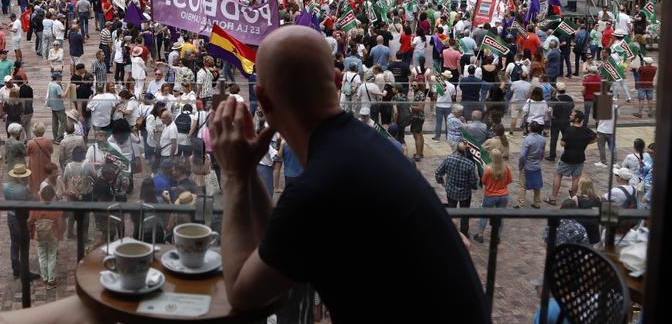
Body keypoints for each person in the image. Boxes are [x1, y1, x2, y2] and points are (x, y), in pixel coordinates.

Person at [208, 26, 488, 322]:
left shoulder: (320, 188)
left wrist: (235, 175)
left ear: (263, 100)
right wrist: (249, 172)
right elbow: (277, 251)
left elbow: (242, 292)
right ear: (338, 80)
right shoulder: (368, 149)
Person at [435, 141, 482, 237]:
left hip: (451, 191)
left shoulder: (448, 159)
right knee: (465, 214)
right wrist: (474, 186)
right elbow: (473, 182)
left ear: (456, 149)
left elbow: (438, 173)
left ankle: (450, 231)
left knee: (452, 212)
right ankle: (464, 233)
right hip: (465, 194)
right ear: (466, 151)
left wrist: (442, 183)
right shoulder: (469, 164)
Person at [549, 111, 595, 205]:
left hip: (567, 157)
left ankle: (553, 198)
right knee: (575, 178)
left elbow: (562, 143)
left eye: (572, 115)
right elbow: (596, 137)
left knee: (558, 174)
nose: (570, 116)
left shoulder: (569, 129)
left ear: (577, 119)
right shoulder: (585, 130)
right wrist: (585, 142)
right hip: (580, 157)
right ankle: (573, 198)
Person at [473, 148, 512, 243]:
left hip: (490, 195)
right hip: (503, 195)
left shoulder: (488, 169)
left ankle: (480, 235)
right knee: (500, 216)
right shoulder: (506, 168)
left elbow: (483, 181)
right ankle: (497, 237)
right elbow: (509, 180)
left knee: (484, 215)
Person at [28, 186, 63, 289]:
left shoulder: (35, 208)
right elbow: (60, 223)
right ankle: (51, 280)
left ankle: (44, 277)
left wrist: (31, 230)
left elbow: (30, 221)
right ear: (52, 196)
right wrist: (60, 234)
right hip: (53, 234)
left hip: (39, 234)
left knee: (42, 256)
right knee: (52, 256)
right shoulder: (56, 208)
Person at [518, 122, 545, 208]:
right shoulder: (542, 139)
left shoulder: (528, 139)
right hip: (537, 164)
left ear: (530, 128)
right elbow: (542, 152)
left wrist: (520, 165)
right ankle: (537, 203)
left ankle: (521, 203)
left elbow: (522, 155)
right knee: (537, 185)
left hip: (527, 165)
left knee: (523, 185)